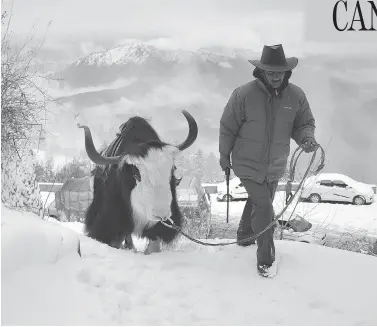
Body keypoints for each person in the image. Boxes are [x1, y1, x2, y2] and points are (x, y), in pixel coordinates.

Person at [218, 44, 318, 277]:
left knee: (258, 201)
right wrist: (224, 157)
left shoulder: (296, 96)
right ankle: (266, 258)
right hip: (246, 162)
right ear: (261, 70)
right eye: (270, 71)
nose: (275, 75)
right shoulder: (243, 94)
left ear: (287, 71)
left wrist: (307, 139)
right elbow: (227, 128)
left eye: (279, 71)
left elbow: (303, 124)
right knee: (264, 206)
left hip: (275, 164)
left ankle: (244, 237)